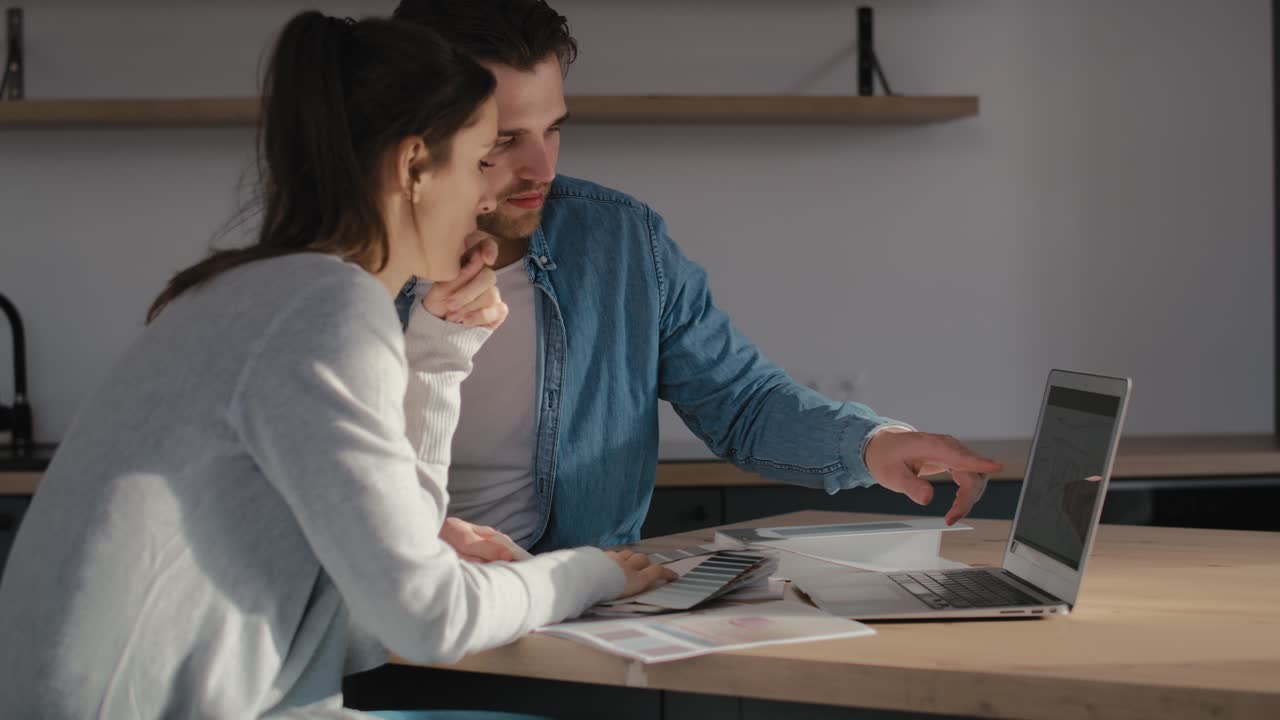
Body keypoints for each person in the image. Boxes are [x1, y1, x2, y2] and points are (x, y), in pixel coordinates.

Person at [0, 12, 669, 719]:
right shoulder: (325, 309)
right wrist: (588, 571)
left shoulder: (260, 292)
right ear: (414, 167)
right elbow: (428, 618)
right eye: (481, 160)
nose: (487, 195)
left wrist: (439, 353)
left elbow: (383, 604)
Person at [390, 0, 1004, 554]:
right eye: (504, 140)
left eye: (554, 128)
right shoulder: (339, 267)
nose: (542, 167)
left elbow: (743, 404)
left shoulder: (623, 242)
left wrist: (877, 445)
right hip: (389, 618)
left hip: (573, 606)